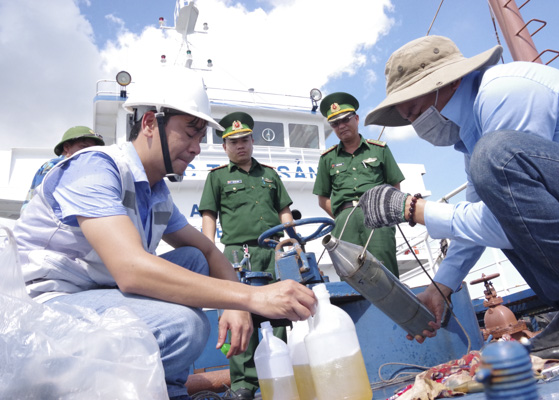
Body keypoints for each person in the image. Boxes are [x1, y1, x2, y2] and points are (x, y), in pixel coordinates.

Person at [12, 67, 316, 400]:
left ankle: (166, 390)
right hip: (46, 307)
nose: (197, 148)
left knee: (194, 258)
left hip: (96, 296)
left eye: (201, 138)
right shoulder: (96, 166)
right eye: (190, 132)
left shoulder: (157, 193)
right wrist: (253, 297)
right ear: (148, 124)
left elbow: (210, 252)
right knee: (184, 326)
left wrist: (237, 304)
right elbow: (130, 271)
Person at [359, 35, 559, 361]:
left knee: (495, 156)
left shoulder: (502, 93)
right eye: (408, 119)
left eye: (415, 111)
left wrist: (412, 208)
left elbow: (509, 221)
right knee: (489, 174)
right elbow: (492, 216)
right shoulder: (473, 134)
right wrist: (441, 286)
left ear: (449, 80)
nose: (416, 125)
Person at [199, 111, 293, 400]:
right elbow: (209, 217)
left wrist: (292, 243)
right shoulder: (217, 178)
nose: (240, 145)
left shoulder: (270, 175)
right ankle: (243, 384)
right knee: (239, 315)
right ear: (225, 146)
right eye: (233, 141)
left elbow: (284, 212)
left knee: (278, 314)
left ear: (252, 141)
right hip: (237, 257)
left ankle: (278, 374)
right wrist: (208, 253)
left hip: (273, 252)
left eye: (244, 140)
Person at [313, 92, 404, 276]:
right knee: (350, 275)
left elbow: (395, 188)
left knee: (385, 270)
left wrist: (382, 213)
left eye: (345, 119)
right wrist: (342, 215)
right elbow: (323, 199)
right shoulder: (327, 158)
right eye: (335, 123)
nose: (341, 126)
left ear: (356, 118)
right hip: (344, 222)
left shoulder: (380, 150)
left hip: (377, 219)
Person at [21, 126, 105, 211]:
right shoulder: (56, 166)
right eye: (84, 147)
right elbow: (44, 200)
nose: (89, 152)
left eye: (93, 149)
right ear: (67, 147)